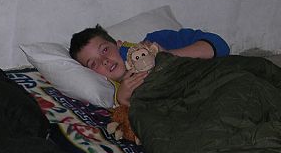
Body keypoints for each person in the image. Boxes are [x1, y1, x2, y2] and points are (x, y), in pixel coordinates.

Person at [69, 25, 229, 105]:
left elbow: (220, 46)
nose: (104, 60)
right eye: (94, 63)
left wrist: (166, 57)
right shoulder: (114, 96)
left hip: (215, 84)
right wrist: (123, 99)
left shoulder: (153, 43)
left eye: (104, 49)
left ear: (118, 45)